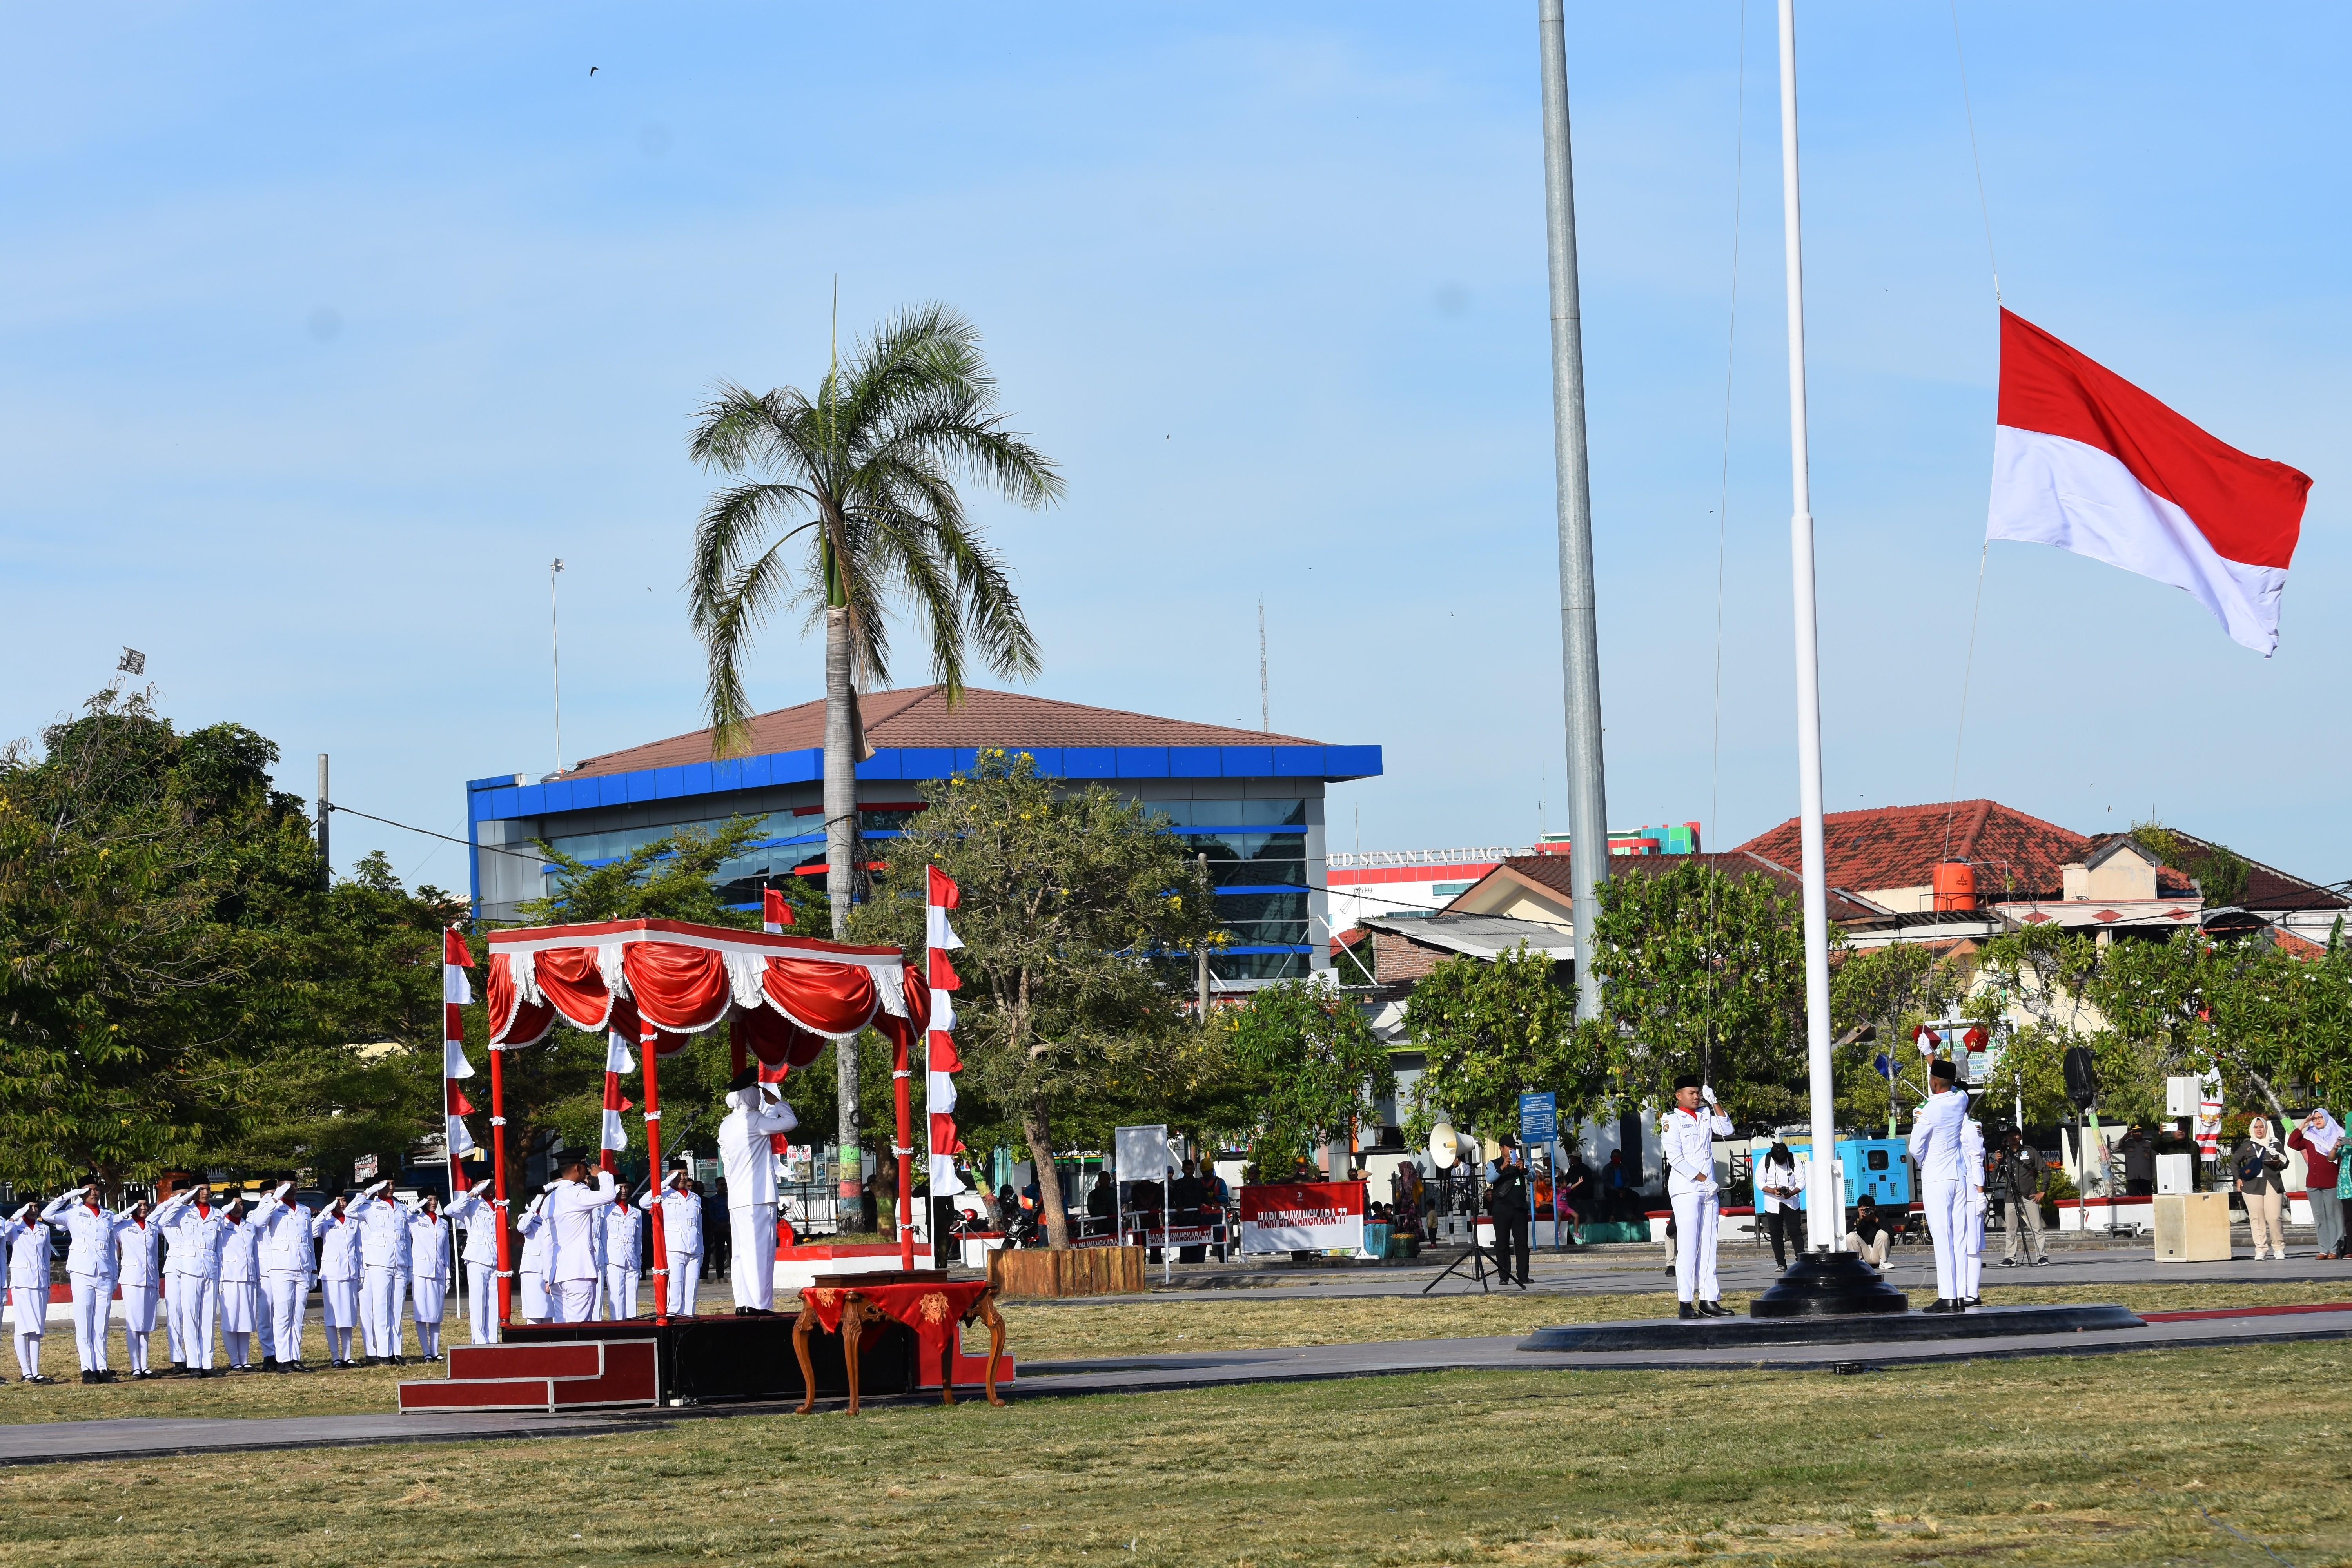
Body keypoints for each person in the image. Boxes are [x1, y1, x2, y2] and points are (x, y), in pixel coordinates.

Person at [717, 1067, 798, 1314]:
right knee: (761, 1251)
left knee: (741, 1253)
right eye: (756, 1090)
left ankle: (743, 1303)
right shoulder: (754, 1120)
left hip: (737, 1198)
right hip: (759, 1196)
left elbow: (727, 1165)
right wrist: (778, 1103)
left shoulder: (726, 1125)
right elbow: (790, 1122)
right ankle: (760, 1305)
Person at [43, 1185, 133, 1384]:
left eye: (96, 1189)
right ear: (82, 1193)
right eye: (89, 1190)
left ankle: (101, 1368)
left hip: (104, 1272)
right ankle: (87, 1369)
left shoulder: (108, 1216)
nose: (94, 1193)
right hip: (82, 1271)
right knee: (84, 1322)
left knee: (101, 1324)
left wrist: (114, 1275)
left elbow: (111, 1247)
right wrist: (71, 1194)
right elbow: (47, 1214)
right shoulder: (73, 1213)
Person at [1663, 1075, 1733, 1319]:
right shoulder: (1672, 1120)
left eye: (1698, 1093)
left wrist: (1715, 1103)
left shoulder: (1705, 1115)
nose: (1696, 1097)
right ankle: (1685, 1302)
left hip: (1709, 1190)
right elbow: (1676, 1158)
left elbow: (1727, 1129)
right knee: (1688, 1246)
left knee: (1709, 1247)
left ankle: (1708, 1300)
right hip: (1687, 1188)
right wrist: (1704, 1179)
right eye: (1691, 1093)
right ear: (1678, 1096)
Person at [1907, 1060, 1972, 1313]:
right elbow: (1950, 1083)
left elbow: (1915, 1147)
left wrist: (1926, 1162)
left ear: (1933, 1082)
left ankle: (1948, 1297)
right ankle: (1960, 1296)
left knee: (1942, 1238)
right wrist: (1929, 1055)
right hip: (1959, 1176)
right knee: (1959, 1238)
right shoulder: (1961, 1099)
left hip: (1937, 1177)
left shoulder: (1929, 1109)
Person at [155, 1182, 230, 1375]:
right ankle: (194, 1363)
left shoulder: (217, 1214)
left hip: (211, 1267)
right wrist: (182, 1200)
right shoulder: (184, 1211)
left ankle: (207, 1364)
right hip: (189, 1267)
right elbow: (163, 1221)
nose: (205, 1193)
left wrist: (221, 1275)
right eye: (200, 1190)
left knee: (208, 1318)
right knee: (191, 1317)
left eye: (207, 1189)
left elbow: (220, 1247)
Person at [250, 1181, 314, 1371]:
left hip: (303, 1266)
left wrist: (313, 1270)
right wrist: (275, 1197)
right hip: (281, 1266)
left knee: (298, 1316)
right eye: (287, 1186)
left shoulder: (304, 1210)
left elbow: (309, 1241)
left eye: (295, 1185)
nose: (292, 1189)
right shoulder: (274, 1208)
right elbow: (258, 1222)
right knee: (283, 1315)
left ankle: (295, 1358)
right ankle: (282, 1359)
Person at [544, 1161, 618, 1324]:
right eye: (586, 1170)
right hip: (579, 1272)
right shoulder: (578, 1193)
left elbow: (547, 1241)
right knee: (579, 1327)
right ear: (578, 1168)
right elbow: (609, 1195)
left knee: (562, 1325)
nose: (587, 1175)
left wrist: (547, 1276)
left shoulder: (550, 1199)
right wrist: (602, 1174)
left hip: (558, 1273)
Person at [349, 1179, 410, 1365]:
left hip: (400, 1261)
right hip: (380, 1261)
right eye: (387, 1184)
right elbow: (350, 1211)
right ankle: (384, 1352)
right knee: (381, 1307)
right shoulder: (370, 1207)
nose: (391, 1187)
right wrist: (369, 1191)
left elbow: (406, 1237)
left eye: (393, 1184)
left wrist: (410, 1265)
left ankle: (396, 1351)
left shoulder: (401, 1208)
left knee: (397, 1309)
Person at [440, 1183, 501, 1345]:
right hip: (477, 1256)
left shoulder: (499, 1204)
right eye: (487, 1184)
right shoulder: (472, 1204)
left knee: (494, 1303)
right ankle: (480, 1341)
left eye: (493, 1183)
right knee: (478, 1301)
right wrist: (473, 1193)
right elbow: (449, 1210)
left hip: (496, 1258)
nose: (491, 1187)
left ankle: (493, 1340)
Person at [3, 1201, 55, 1383]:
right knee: (23, 1326)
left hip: (40, 1281)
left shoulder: (44, 1229)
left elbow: (46, 1257)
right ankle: (26, 1372)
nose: (34, 1210)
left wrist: (47, 1285)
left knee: (37, 1328)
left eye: (36, 1207)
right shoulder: (15, 1226)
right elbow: (3, 1232)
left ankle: (35, 1371)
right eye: (30, 1207)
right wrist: (16, 1216)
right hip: (22, 1282)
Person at [116, 1196, 167, 1378]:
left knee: (146, 1324)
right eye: (139, 1205)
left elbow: (154, 1256)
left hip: (150, 1278)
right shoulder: (123, 1226)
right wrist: (127, 1212)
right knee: (133, 1323)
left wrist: (157, 1282)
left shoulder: (152, 1228)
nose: (144, 1208)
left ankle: (144, 1365)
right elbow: (109, 1225)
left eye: (146, 1205)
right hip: (132, 1278)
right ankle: (135, 1366)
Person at [213, 1196, 263, 1372]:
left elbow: (255, 1255)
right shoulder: (221, 1226)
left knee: (245, 1321)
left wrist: (258, 1279)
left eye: (241, 1204)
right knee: (231, 1321)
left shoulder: (249, 1227)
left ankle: (245, 1359)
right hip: (229, 1278)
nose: (238, 1207)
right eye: (234, 1204)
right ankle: (234, 1360)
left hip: (248, 1278)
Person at [2289, 1109, 2345, 1260]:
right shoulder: (2310, 1135)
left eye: (2320, 1118)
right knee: (2319, 1217)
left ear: (2326, 1118)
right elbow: (2293, 1143)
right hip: (2313, 1184)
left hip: (2331, 1182)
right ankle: (2324, 1249)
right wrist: (2303, 1125)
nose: (2317, 1121)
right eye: (2315, 1119)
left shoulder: (2338, 1135)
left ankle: (2335, 1250)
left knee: (2334, 1217)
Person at [1991, 1131, 2049, 1267]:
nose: (2013, 1137)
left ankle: (2042, 1257)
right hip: (2011, 1196)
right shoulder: (2004, 1154)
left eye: (2016, 1134)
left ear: (2021, 1137)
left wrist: (2043, 1191)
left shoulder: (2029, 1151)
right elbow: (1996, 1177)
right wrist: (1998, 1162)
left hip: (2030, 1195)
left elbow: (2045, 1170)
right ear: (2007, 1138)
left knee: (2037, 1227)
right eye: (2010, 1135)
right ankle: (2010, 1258)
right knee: (2011, 1229)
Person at [2236, 1116, 2290, 1261]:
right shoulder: (2247, 1145)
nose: (2259, 1130)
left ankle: (2279, 1248)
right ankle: (2261, 1250)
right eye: (2256, 1127)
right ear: (2252, 1129)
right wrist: (2238, 1179)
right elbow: (2234, 1162)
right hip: (2252, 1186)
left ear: (2266, 1128)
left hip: (2272, 1183)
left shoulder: (2275, 1144)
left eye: (2262, 1127)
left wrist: (2278, 1163)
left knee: (2274, 1217)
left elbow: (2285, 1162)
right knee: (2257, 1218)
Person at [407, 1194, 451, 1359]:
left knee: (436, 1314)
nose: (433, 1203)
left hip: (438, 1270)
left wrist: (448, 1275)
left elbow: (446, 1251)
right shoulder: (414, 1220)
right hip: (421, 1271)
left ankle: (435, 1351)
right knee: (422, 1314)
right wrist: (418, 1205)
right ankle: (426, 1351)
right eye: (430, 1200)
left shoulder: (444, 1223)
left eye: (436, 1200)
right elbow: (404, 1216)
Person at [1752, 1141, 1806, 1271]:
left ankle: (1801, 1262)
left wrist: (1792, 1192)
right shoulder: (1765, 1161)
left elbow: (1802, 1181)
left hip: (1792, 1202)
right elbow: (1759, 1181)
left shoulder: (1794, 1160)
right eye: (1778, 1162)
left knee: (1796, 1232)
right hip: (1772, 1203)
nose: (1781, 1164)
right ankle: (1781, 1264)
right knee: (1776, 1233)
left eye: (1783, 1162)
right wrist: (1771, 1190)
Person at [655, 1171, 703, 1317]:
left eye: (685, 1174)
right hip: (674, 1249)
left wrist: (701, 1251)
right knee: (675, 1294)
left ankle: (688, 1322)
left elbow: (699, 1226)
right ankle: (673, 1323)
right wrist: (665, 1183)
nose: (682, 1178)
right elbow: (643, 1202)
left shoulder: (695, 1197)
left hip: (694, 1250)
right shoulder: (664, 1194)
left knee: (691, 1293)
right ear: (670, 1176)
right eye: (678, 1175)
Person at [1485, 1138, 1532, 1289]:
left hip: (1519, 1208)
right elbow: (1490, 1179)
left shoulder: (1523, 1162)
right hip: (1501, 1209)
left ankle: (1523, 1276)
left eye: (1514, 1147)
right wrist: (1502, 1167)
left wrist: (1524, 1169)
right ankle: (1504, 1277)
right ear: (1501, 1148)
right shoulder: (1493, 1163)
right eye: (1509, 1147)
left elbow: (1533, 1177)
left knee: (1522, 1243)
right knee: (1502, 1244)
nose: (1512, 1149)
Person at [601, 1187, 643, 1321]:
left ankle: (632, 1326)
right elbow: (604, 1237)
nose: (624, 1191)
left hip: (632, 1259)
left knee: (632, 1297)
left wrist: (639, 1263)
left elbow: (638, 1241)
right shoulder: (607, 1210)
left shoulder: (636, 1212)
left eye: (626, 1187)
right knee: (617, 1297)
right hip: (614, 1258)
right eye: (620, 1188)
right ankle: (617, 1326)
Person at [1960, 1112, 1987, 1307]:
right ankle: (1960, 1291)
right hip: (1955, 1190)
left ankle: (1972, 1293)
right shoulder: (1946, 1125)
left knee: (1972, 1245)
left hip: (1970, 1190)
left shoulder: (1971, 1126)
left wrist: (1980, 1193)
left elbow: (1977, 1160)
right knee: (1958, 1244)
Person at [515, 1193, 553, 1323]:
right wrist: (534, 1207)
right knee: (535, 1312)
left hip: (549, 1268)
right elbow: (522, 1228)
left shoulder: (549, 1218)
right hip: (532, 1269)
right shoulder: (527, 1217)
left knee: (550, 1313)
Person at [1843, 1193, 1893, 1269]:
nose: (1866, 1212)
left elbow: (1891, 1232)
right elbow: (1846, 1232)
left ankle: (1884, 1262)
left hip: (1878, 1253)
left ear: (1874, 1208)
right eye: (1862, 1210)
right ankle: (1860, 1263)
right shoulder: (1857, 1217)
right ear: (1858, 1209)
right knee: (1850, 1236)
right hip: (1865, 1253)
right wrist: (1859, 1220)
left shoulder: (1879, 1216)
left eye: (1868, 1209)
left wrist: (1875, 1219)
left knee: (1883, 1233)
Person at [2120, 1127, 2157, 1198]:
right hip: (2132, 1178)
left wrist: (2154, 1175)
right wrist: (2124, 1138)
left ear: (2143, 1133)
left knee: (2147, 1199)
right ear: (2131, 1134)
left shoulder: (2149, 1144)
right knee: (2133, 1200)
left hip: (2146, 1177)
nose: (2137, 1134)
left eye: (2139, 1132)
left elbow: (2154, 1160)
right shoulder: (2127, 1144)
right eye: (2135, 1132)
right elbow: (2114, 1148)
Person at [1602, 1149, 1635, 1223]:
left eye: (1618, 1156)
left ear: (1621, 1157)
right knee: (1613, 1196)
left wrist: (1625, 1189)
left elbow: (1628, 1180)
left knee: (1636, 1196)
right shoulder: (1607, 1168)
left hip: (1623, 1189)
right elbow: (1605, 1181)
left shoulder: (1624, 1168)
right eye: (1615, 1156)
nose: (1616, 1158)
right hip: (1611, 1189)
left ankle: (1634, 1215)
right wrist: (1616, 1190)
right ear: (1611, 1157)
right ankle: (1612, 1217)